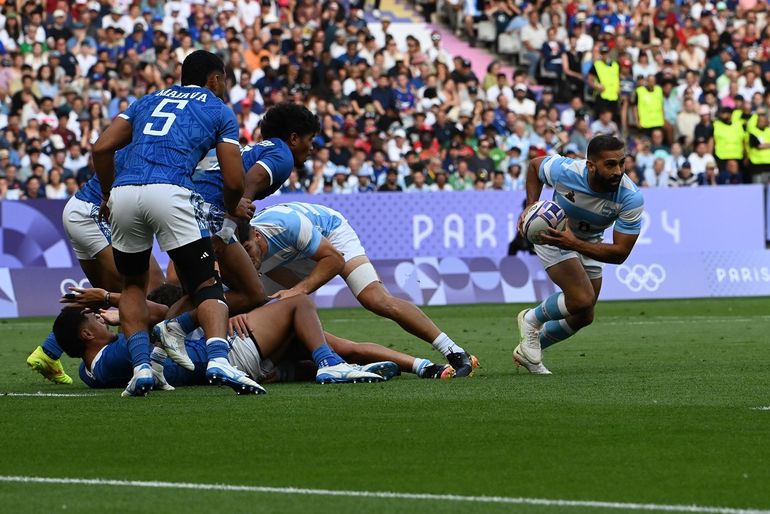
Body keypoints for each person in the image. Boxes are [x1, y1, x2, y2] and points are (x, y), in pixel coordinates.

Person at [91, 50, 256, 396]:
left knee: (133, 285)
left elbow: (101, 148)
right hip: (170, 190)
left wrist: (107, 194)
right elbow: (233, 180)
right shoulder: (218, 109)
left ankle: (141, 368)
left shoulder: (147, 100)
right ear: (215, 79)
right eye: (224, 80)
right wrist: (231, 209)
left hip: (124, 191)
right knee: (206, 283)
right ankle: (218, 358)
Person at [155, 102, 320, 369]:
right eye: (310, 139)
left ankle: (156, 357)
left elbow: (242, 195)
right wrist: (225, 233)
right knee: (252, 294)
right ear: (294, 138)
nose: (312, 147)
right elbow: (248, 184)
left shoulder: (259, 149)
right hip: (207, 214)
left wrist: (247, 237)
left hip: (182, 209)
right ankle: (177, 328)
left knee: (196, 294)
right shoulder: (282, 155)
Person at [243, 202, 479, 377]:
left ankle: (453, 350)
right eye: (241, 253)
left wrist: (299, 290)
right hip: (287, 259)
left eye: (248, 249)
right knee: (274, 311)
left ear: (257, 235)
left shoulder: (287, 226)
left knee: (375, 298)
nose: (246, 259)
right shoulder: (242, 251)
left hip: (330, 234)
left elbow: (334, 260)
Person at [52, 289, 389, 391]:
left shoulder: (89, 372)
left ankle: (332, 365)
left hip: (234, 362)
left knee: (307, 353)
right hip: (231, 351)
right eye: (94, 317)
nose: (102, 316)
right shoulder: (120, 354)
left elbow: (157, 315)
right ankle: (330, 364)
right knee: (297, 304)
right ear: (87, 334)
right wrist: (114, 301)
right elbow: (157, 314)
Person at [514, 135, 643, 373]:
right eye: (610, 164)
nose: (618, 171)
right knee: (581, 298)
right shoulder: (566, 171)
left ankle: (531, 347)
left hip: (588, 242)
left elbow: (620, 253)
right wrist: (531, 204)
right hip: (553, 234)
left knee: (584, 315)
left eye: (622, 163)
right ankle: (530, 319)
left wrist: (575, 243)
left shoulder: (630, 197)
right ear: (591, 165)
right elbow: (534, 166)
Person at [25, 171, 166, 386]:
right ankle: (141, 361)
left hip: (84, 209)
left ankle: (49, 350)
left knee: (110, 295)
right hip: (94, 211)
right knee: (149, 286)